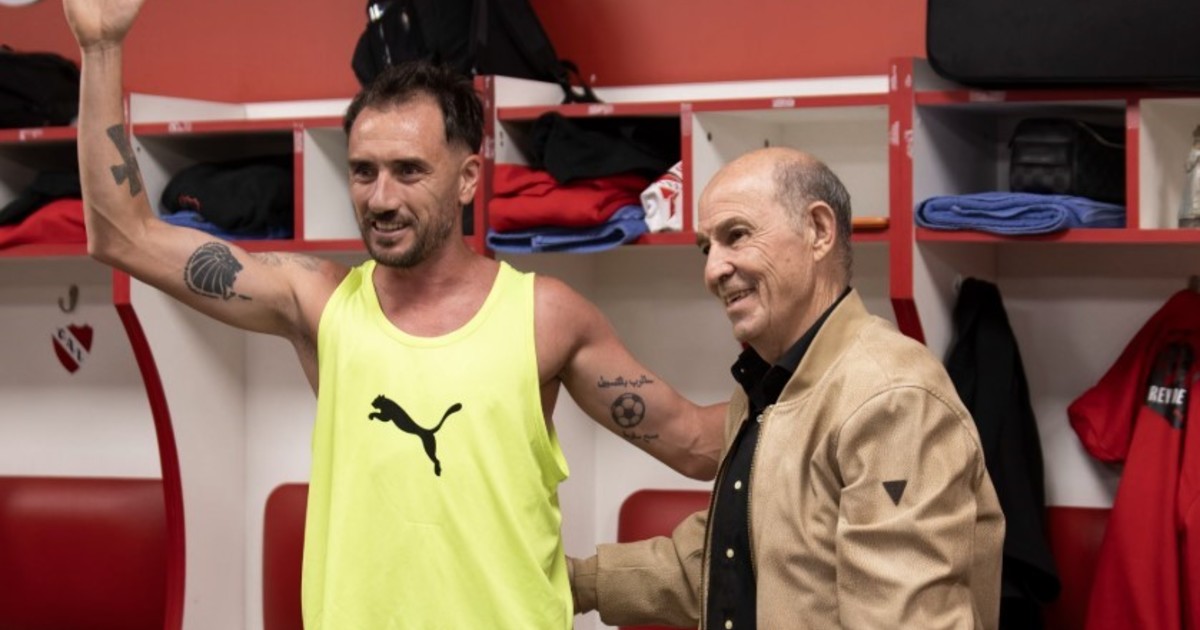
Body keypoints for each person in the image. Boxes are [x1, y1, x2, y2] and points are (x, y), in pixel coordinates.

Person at [62, 0, 726, 627]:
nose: (381, 198)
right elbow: (122, 236)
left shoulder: (543, 316)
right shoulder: (318, 302)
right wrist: (101, 49)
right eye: (363, 171)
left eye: (409, 171)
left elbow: (695, 444)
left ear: (467, 178)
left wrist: (794, 373)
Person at [569, 147, 1005, 629]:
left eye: (737, 236)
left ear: (818, 230)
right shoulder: (771, 386)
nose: (713, 271)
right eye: (707, 249)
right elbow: (729, 563)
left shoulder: (889, 399)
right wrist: (572, 582)